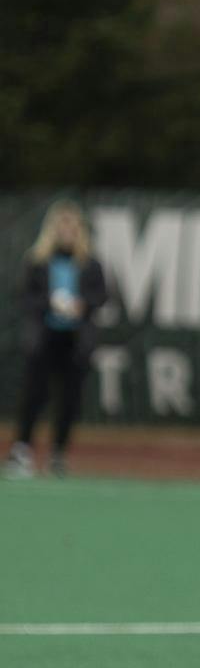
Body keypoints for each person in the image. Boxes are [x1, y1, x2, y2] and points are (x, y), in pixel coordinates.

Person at [9, 201, 109, 480]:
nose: (67, 231)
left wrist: (81, 306)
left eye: (72, 226)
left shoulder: (90, 264)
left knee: (69, 399)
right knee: (34, 395)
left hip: (75, 340)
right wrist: (49, 303)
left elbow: (101, 296)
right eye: (61, 225)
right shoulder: (37, 261)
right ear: (52, 229)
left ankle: (58, 453)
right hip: (44, 338)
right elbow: (25, 297)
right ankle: (22, 451)